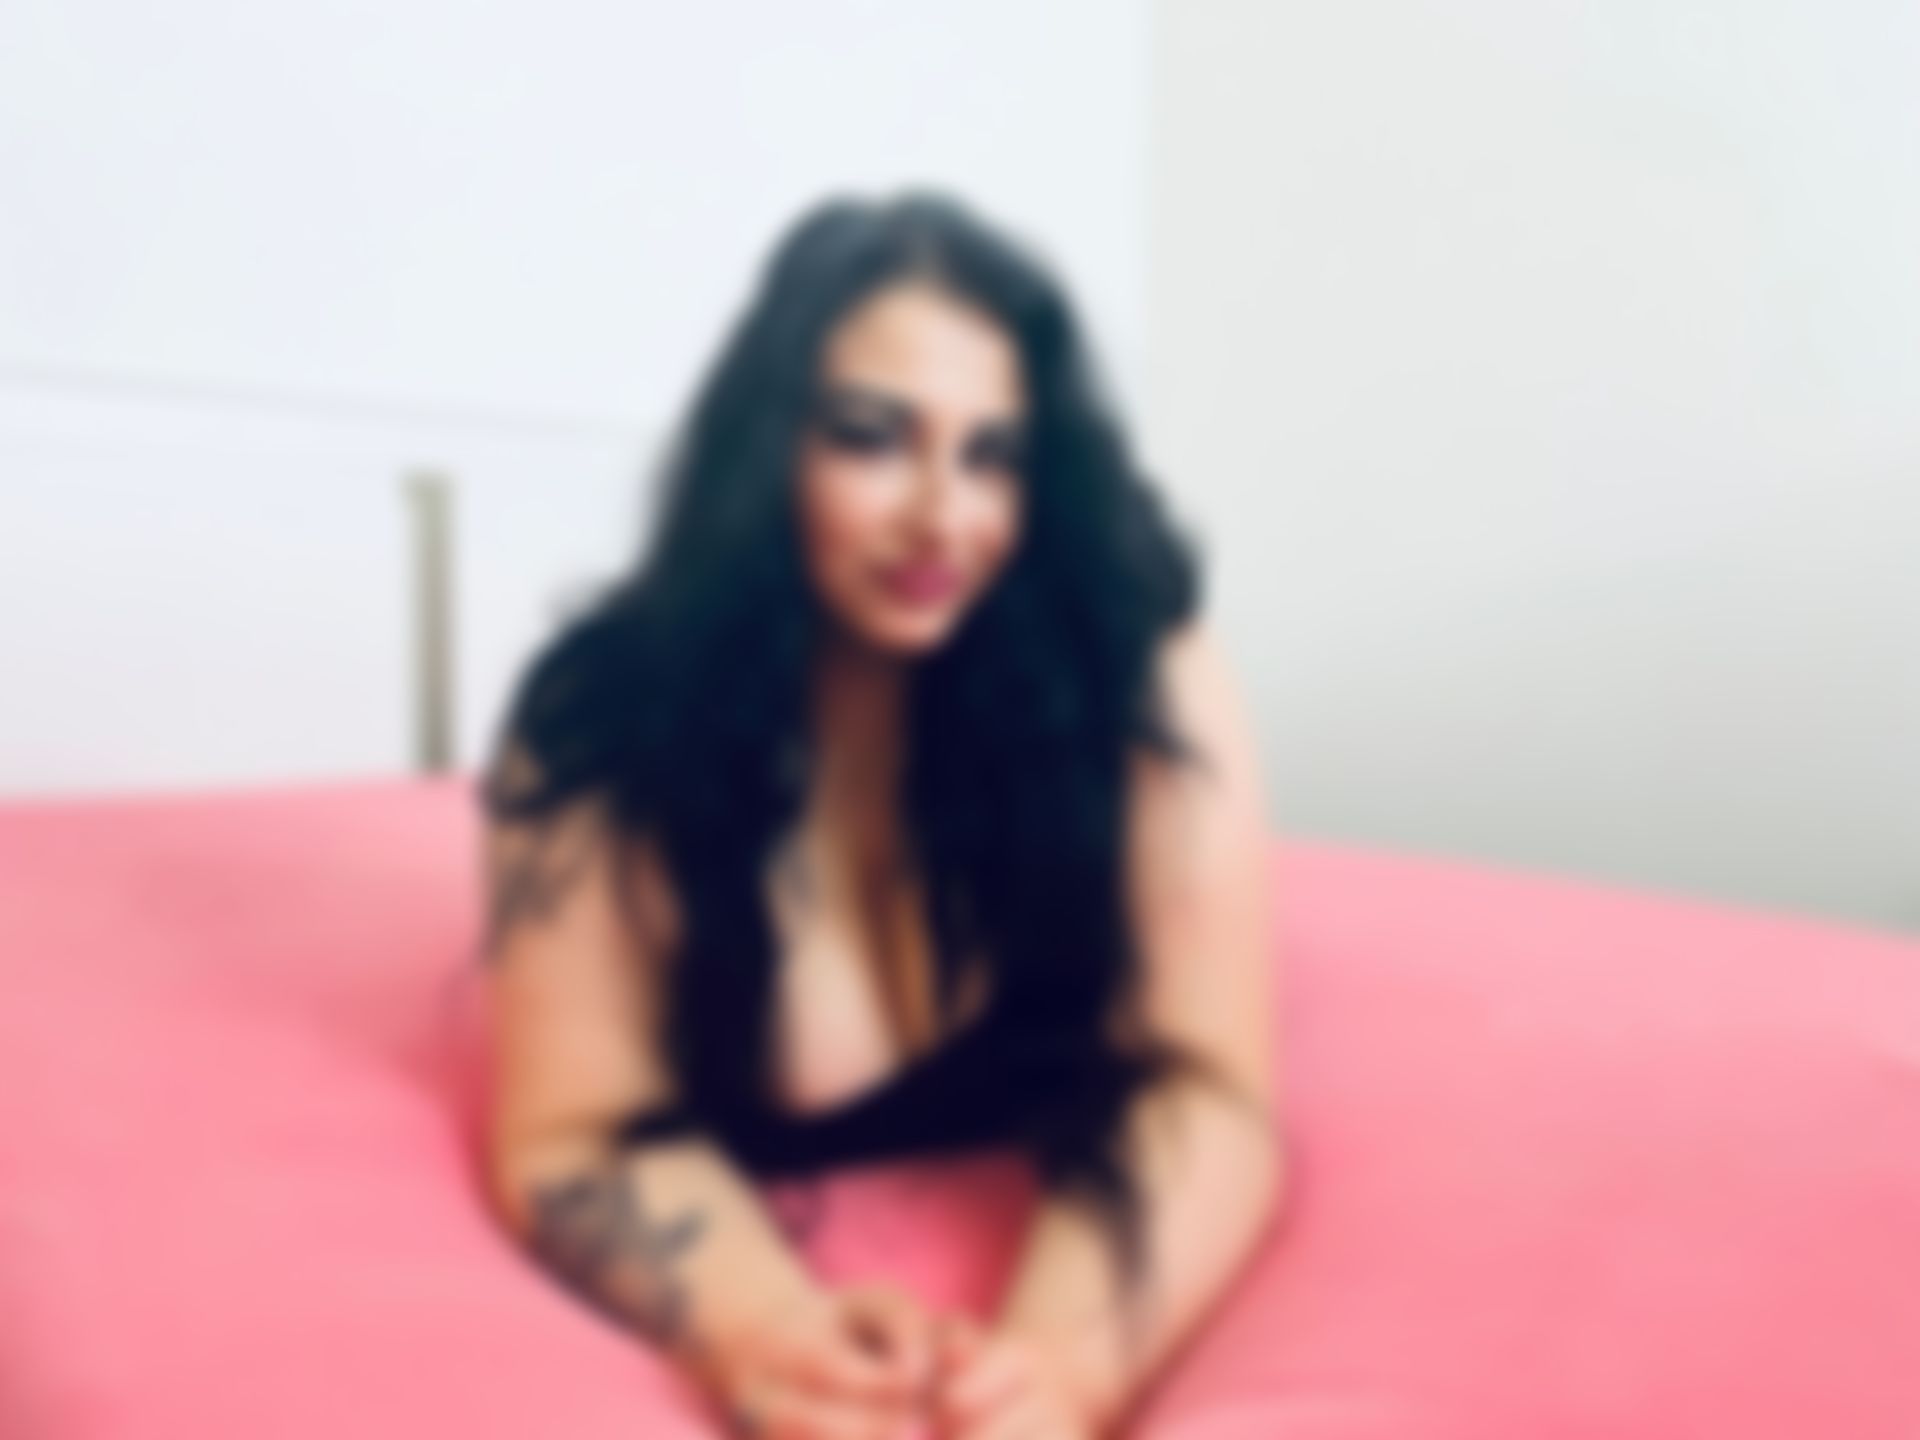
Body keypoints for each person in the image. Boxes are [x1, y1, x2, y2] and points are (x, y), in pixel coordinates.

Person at [475, 190, 1285, 1439]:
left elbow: (1206, 1084)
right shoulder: (605, 724)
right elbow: (573, 1134)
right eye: (872, 438)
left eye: (993, 455)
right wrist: (767, 1334)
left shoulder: (1138, 668)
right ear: (768, 448)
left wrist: (1057, 1375)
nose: (944, 516)